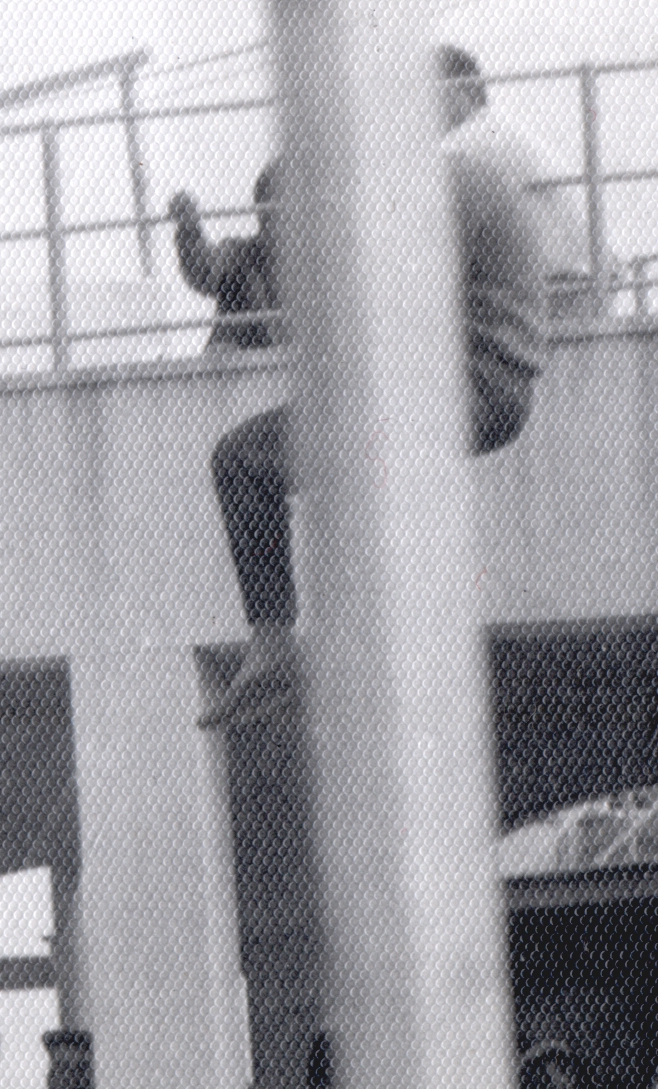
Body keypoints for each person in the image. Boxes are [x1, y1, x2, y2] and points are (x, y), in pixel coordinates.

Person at [206, 62, 547, 718]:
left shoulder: (442, 187)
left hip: (466, 385)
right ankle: (323, 638)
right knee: (331, 467)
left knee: (244, 459)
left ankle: (280, 639)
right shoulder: (456, 182)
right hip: (483, 385)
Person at [436, 45, 605, 322]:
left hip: (561, 292)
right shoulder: (499, 130)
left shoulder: (468, 143)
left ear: (457, 92)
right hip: (585, 281)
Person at [167, 164, 279, 349]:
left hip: (295, 357)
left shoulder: (320, 263)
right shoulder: (242, 254)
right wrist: (190, 228)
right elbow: (205, 270)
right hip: (243, 361)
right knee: (239, 278)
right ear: (262, 212)